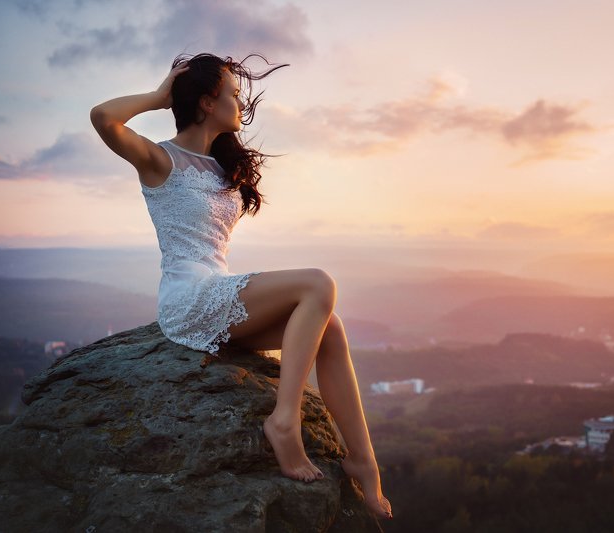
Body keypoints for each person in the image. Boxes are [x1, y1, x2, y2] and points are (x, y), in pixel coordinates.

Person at [90, 52, 392, 520]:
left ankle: (364, 461)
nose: (240, 102)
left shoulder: (219, 167)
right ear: (207, 102)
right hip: (188, 299)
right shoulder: (159, 159)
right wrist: (157, 96)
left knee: (329, 327)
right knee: (318, 283)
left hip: (218, 291)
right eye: (232, 93)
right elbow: (102, 117)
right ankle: (284, 421)